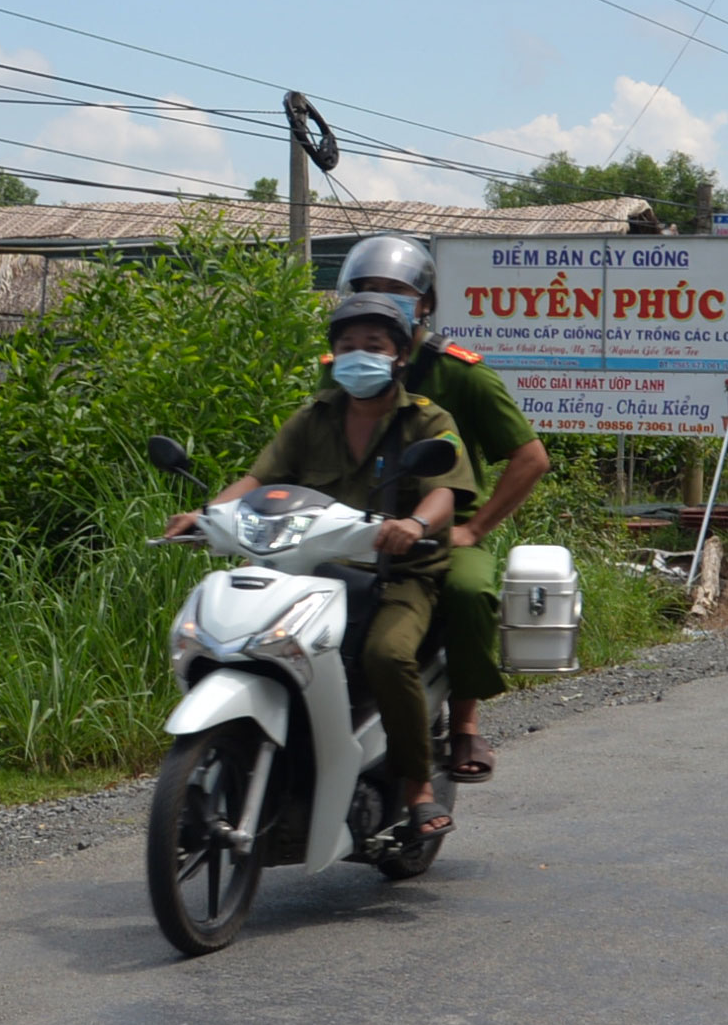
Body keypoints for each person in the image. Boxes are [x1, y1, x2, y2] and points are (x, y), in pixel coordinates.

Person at [167, 292, 478, 841]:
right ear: (333, 354)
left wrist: (414, 525)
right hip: (308, 568)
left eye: (374, 346)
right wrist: (207, 514)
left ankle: (417, 790)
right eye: (348, 345)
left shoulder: (430, 420)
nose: (360, 354)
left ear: (400, 356)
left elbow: (443, 495)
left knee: (386, 655)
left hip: (398, 574)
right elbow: (258, 480)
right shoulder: (313, 418)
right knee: (238, 638)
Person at [326, 234, 549, 785]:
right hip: (354, 528)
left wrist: (475, 528)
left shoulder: (461, 373)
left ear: (424, 302)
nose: (381, 298)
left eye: (396, 290)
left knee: (469, 592)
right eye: (369, 289)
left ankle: (467, 722)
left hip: (439, 529)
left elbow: (530, 458)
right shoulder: (343, 366)